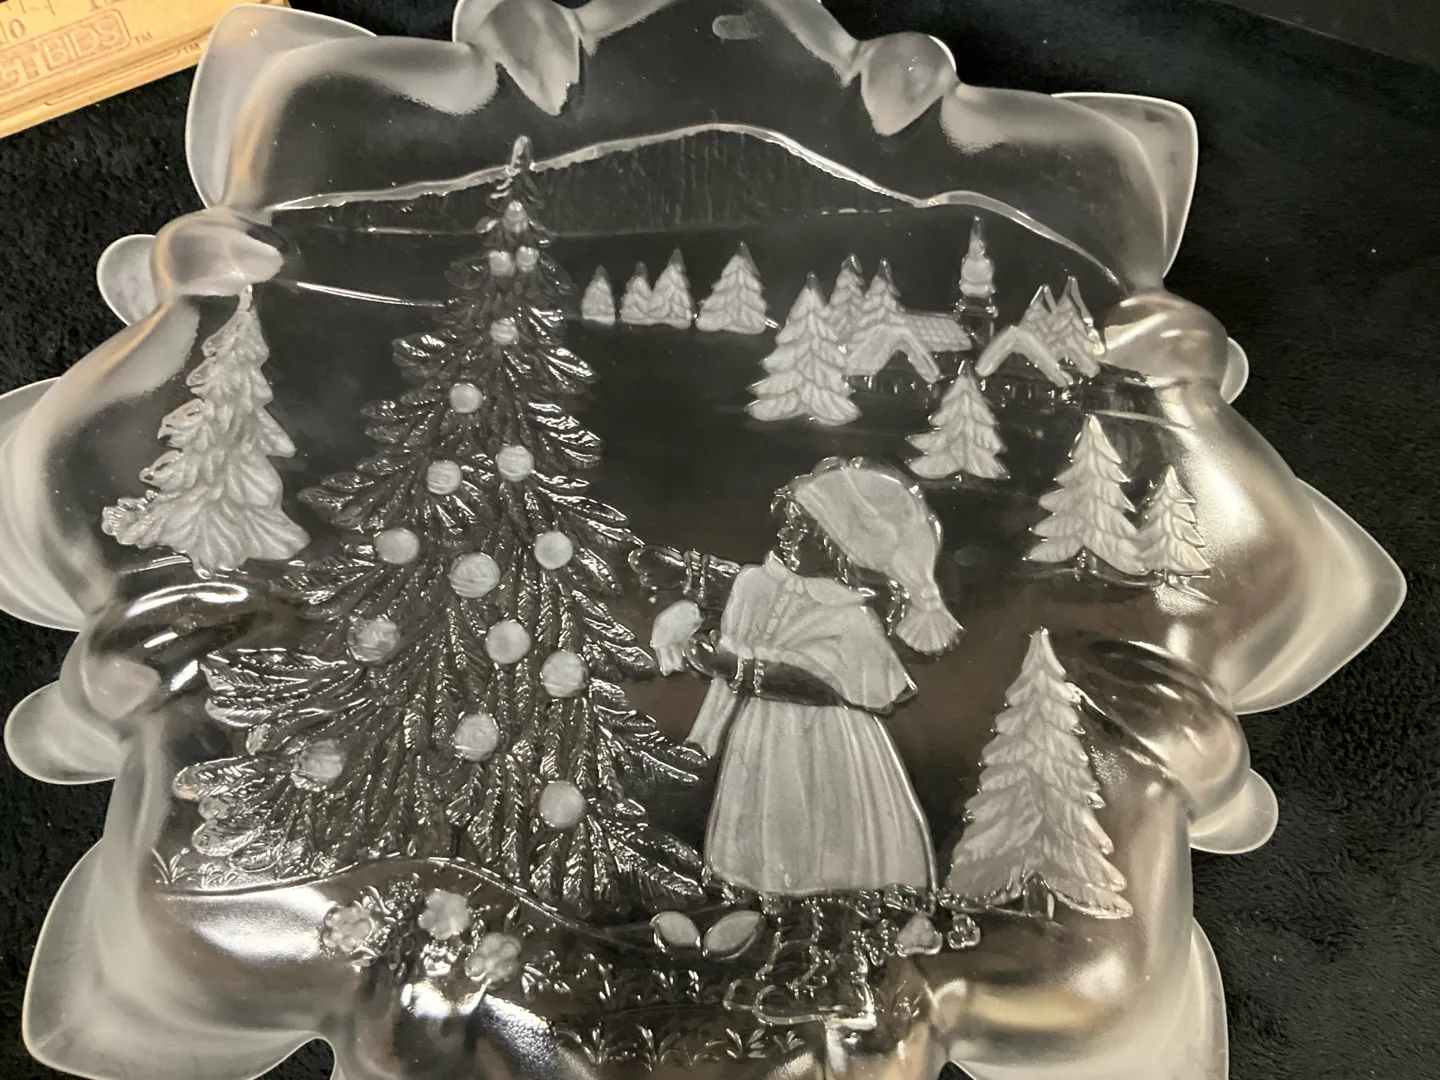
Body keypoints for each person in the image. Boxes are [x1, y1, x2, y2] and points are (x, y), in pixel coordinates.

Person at [643, 457, 960, 897]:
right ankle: (764, 901)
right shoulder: (762, 585)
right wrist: (684, 579)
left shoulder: (850, 619)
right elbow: (735, 598)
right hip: (762, 736)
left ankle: (841, 902)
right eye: (790, 523)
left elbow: (822, 685)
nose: (785, 535)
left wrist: (735, 668)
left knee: (825, 826)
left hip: (829, 744)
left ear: (837, 541)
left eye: (801, 528)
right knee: (763, 818)